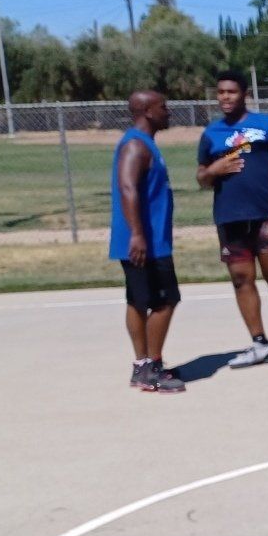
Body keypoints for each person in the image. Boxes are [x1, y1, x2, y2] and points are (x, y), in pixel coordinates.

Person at [196, 71, 268, 368]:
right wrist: (214, 170)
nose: (225, 97)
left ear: (245, 95)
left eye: (231, 92)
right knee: (242, 280)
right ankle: (259, 342)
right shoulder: (210, 134)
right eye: (220, 92)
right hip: (231, 218)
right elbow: (201, 177)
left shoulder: (267, 125)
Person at [111, 90, 185, 394]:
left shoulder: (146, 145)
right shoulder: (135, 146)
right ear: (146, 111)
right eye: (162, 107)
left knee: (138, 301)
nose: (168, 111)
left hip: (146, 239)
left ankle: (142, 365)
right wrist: (138, 234)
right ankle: (152, 368)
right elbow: (128, 189)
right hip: (146, 242)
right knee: (166, 301)